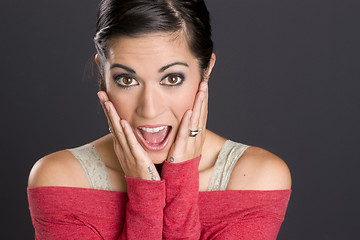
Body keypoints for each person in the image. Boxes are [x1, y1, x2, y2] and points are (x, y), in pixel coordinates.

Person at [27, 0, 292, 239]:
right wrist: (145, 193)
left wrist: (180, 178)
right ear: (102, 74)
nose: (150, 109)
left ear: (206, 70)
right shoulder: (59, 179)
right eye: (127, 80)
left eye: (172, 78)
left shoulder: (256, 178)